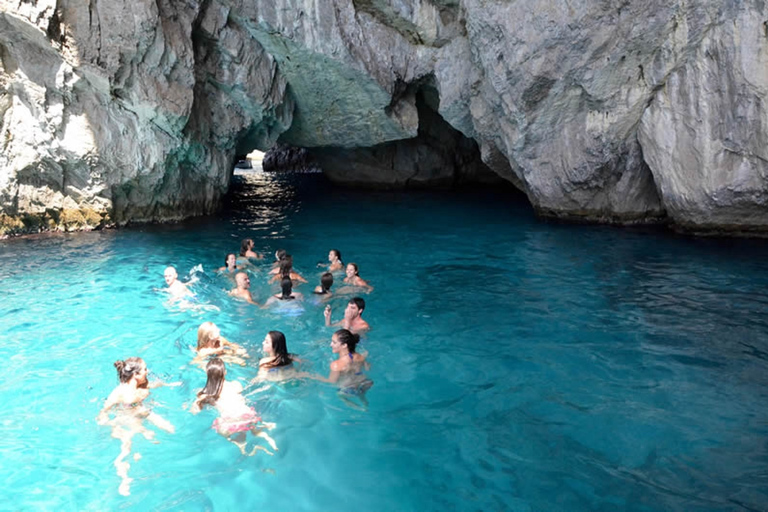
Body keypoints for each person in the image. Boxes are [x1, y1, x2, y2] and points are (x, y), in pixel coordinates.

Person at [97, 357, 177, 496]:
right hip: (125, 418)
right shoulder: (120, 392)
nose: (147, 371)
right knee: (126, 447)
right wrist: (106, 422)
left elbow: (155, 385)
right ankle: (124, 479)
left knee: (171, 430)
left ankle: (145, 434)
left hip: (143, 413)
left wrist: (171, 385)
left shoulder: (142, 384)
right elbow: (104, 410)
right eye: (145, 369)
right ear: (135, 375)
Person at [191, 358, 277, 456]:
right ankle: (266, 437)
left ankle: (242, 446)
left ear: (208, 375)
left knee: (220, 428)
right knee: (255, 430)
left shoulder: (207, 393)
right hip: (248, 415)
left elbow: (194, 411)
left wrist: (196, 403)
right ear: (225, 373)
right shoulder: (236, 384)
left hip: (231, 421)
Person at [302, 329, 373, 402]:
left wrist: (311, 376)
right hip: (365, 383)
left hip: (348, 389)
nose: (331, 344)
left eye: (334, 342)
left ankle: (359, 406)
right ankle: (364, 403)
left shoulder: (336, 365)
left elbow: (331, 382)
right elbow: (368, 368)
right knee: (362, 396)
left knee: (339, 395)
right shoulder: (360, 356)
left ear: (344, 345)